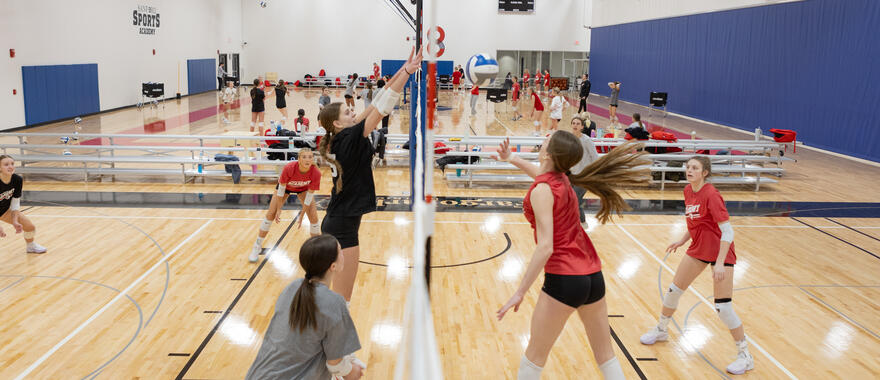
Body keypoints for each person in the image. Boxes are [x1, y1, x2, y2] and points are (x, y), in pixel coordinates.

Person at [494, 134, 650, 380]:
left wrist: (520, 292)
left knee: (533, 358)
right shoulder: (564, 180)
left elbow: (545, 247)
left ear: (549, 154)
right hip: (592, 277)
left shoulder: (543, 190)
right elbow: (542, 176)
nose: (544, 140)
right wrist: (512, 158)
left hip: (564, 280)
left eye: (547, 141)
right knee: (606, 356)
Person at [317, 47, 423, 304]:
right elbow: (382, 109)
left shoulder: (342, 137)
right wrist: (407, 72)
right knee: (342, 300)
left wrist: (403, 70)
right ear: (338, 124)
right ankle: (331, 342)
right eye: (347, 112)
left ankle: (327, 339)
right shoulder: (349, 138)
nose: (353, 111)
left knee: (337, 298)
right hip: (341, 227)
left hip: (338, 221)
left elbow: (377, 101)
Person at [639, 156, 754, 375]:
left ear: (705, 173)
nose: (689, 170)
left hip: (721, 251)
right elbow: (695, 221)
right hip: (699, 248)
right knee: (673, 291)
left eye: (695, 168)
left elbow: (728, 231)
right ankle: (662, 330)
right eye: (688, 167)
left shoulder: (711, 194)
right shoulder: (687, 190)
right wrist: (683, 239)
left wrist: (719, 263)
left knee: (723, 308)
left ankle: (745, 355)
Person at [245, 235, 365, 379]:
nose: (343, 254)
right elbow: (336, 365)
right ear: (333, 266)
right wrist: (353, 371)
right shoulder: (334, 302)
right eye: (340, 251)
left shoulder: (292, 288)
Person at [248, 149, 322, 262]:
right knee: (271, 214)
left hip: (303, 189)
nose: (307, 160)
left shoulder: (316, 173)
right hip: (285, 188)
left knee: (313, 217)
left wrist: (302, 214)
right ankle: (257, 246)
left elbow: (309, 196)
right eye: (304, 157)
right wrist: (279, 209)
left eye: (310, 157)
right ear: (299, 159)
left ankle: (317, 251)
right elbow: (281, 188)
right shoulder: (289, 168)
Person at [0, 155, 47, 254]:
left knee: (29, 227)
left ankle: (31, 246)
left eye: (12, 164)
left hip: (4, 211)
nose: (10, 166)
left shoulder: (17, 180)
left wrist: (15, 220)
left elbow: (15, 202)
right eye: (6, 164)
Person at [569, 113, 600, 227]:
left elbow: (595, 158)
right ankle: (573, 224)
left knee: (575, 200)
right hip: (571, 175)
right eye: (573, 123)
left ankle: (583, 223)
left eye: (578, 124)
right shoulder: (569, 138)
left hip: (583, 177)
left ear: (582, 127)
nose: (575, 125)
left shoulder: (587, 140)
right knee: (570, 200)